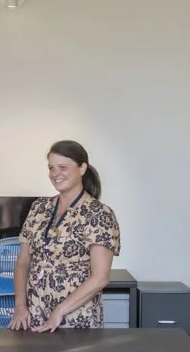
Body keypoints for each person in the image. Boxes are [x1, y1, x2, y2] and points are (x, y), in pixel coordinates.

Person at [10, 140, 121, 332]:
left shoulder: (99, 214)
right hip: (33, 316)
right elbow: (22, 263)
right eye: (51, 168)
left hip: (76, 319)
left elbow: (100, 278)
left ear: (82, 168)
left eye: (63, 167)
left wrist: (59, 312)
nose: (55, 174)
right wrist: (20, 306)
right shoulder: (39, 208)